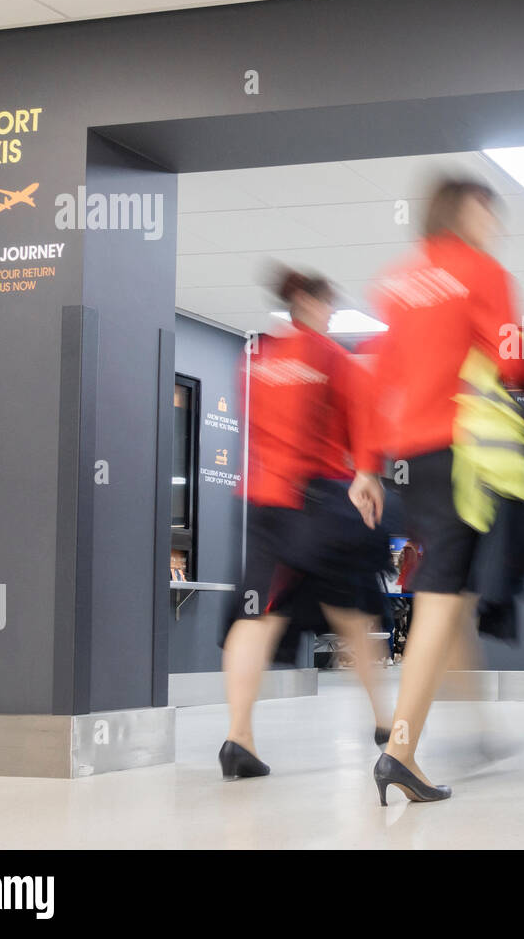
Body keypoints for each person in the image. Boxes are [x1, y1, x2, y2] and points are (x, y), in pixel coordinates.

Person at [354, 178, 524, 806]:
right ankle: (400, 751)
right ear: (467, 210)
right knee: (438, 597)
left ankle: (432, 737)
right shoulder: (482, 271)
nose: (496, 224)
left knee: (446, 594)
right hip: (462, 455)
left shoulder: (398, 281)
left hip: (411, 456)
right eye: (490, 211)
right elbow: (514, 362)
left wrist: (366, 467)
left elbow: (380, 375)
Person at [219, 267, 390, 779]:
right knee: (353, 612)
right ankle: (386, 722)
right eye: (329, 306)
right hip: (317, 504)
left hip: (261, 503)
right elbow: (363, 422)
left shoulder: (255, 361)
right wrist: (367, 476)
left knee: (258, 616)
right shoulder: (330, 356)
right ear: (312, 305)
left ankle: (238, 737)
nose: (332, 315)